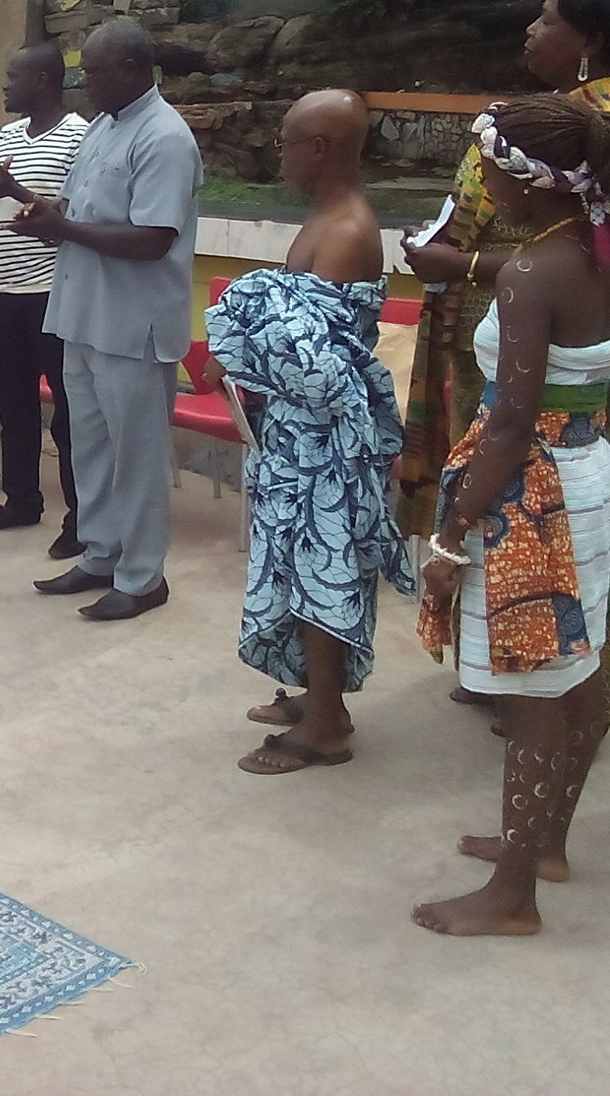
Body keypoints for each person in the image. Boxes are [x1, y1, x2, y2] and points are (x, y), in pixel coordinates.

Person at [411, 94, 610, 936]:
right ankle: (542, 843)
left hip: (533, 493)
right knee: (576, 672)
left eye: (488, 168)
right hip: (589, 472)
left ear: (529, 181)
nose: (481, 183)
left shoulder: (531, 274)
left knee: (530, 696)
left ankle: (513, 896)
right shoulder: (607, 256)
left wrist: (452, 534)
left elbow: (512, 421)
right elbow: (608, 375)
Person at [400, 0, 610, 721]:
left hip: (529, 345)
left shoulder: (573, 127)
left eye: (547, 20)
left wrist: (461, 263)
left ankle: (552, 687)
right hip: (545, 336)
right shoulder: (596, 119)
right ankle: (527, 670)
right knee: (537, 518)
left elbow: (571, 251)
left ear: (590, 40)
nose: (530, 31)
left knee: (521, 513)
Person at [203, 91, 410, 772]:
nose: (279, 154)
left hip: (325, 440)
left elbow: (315, 364)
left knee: (325, 567)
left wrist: (235, 344)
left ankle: (325, 729)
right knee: (296, 564)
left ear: (319, 148)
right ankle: (322, 699)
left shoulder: (346, 231)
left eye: (286, 142)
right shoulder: (325, 218)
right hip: (296, 433)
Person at [17, 20, 202, 621]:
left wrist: (65, 228)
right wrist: (43, 213)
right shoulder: (102, 127)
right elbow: (79, 208)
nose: (85, 83)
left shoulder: (164, 137)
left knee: (137, 457)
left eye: (94, 72)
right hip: (82, 315)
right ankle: (101, 554)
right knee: (89, 447)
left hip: (132, 325)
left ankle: (143, 577)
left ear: (131, 69)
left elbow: (153, 238)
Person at [0, 42, 89, 555]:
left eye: (13, 77)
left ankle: (81, 520)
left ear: (42, 80)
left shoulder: (79, 136)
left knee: (68, 413)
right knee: (13, 404)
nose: (5, 86)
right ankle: (21, 501)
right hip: (4, 290)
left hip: (53, 294)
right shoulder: (8, 136)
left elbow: (69, 218)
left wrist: (14, 189)